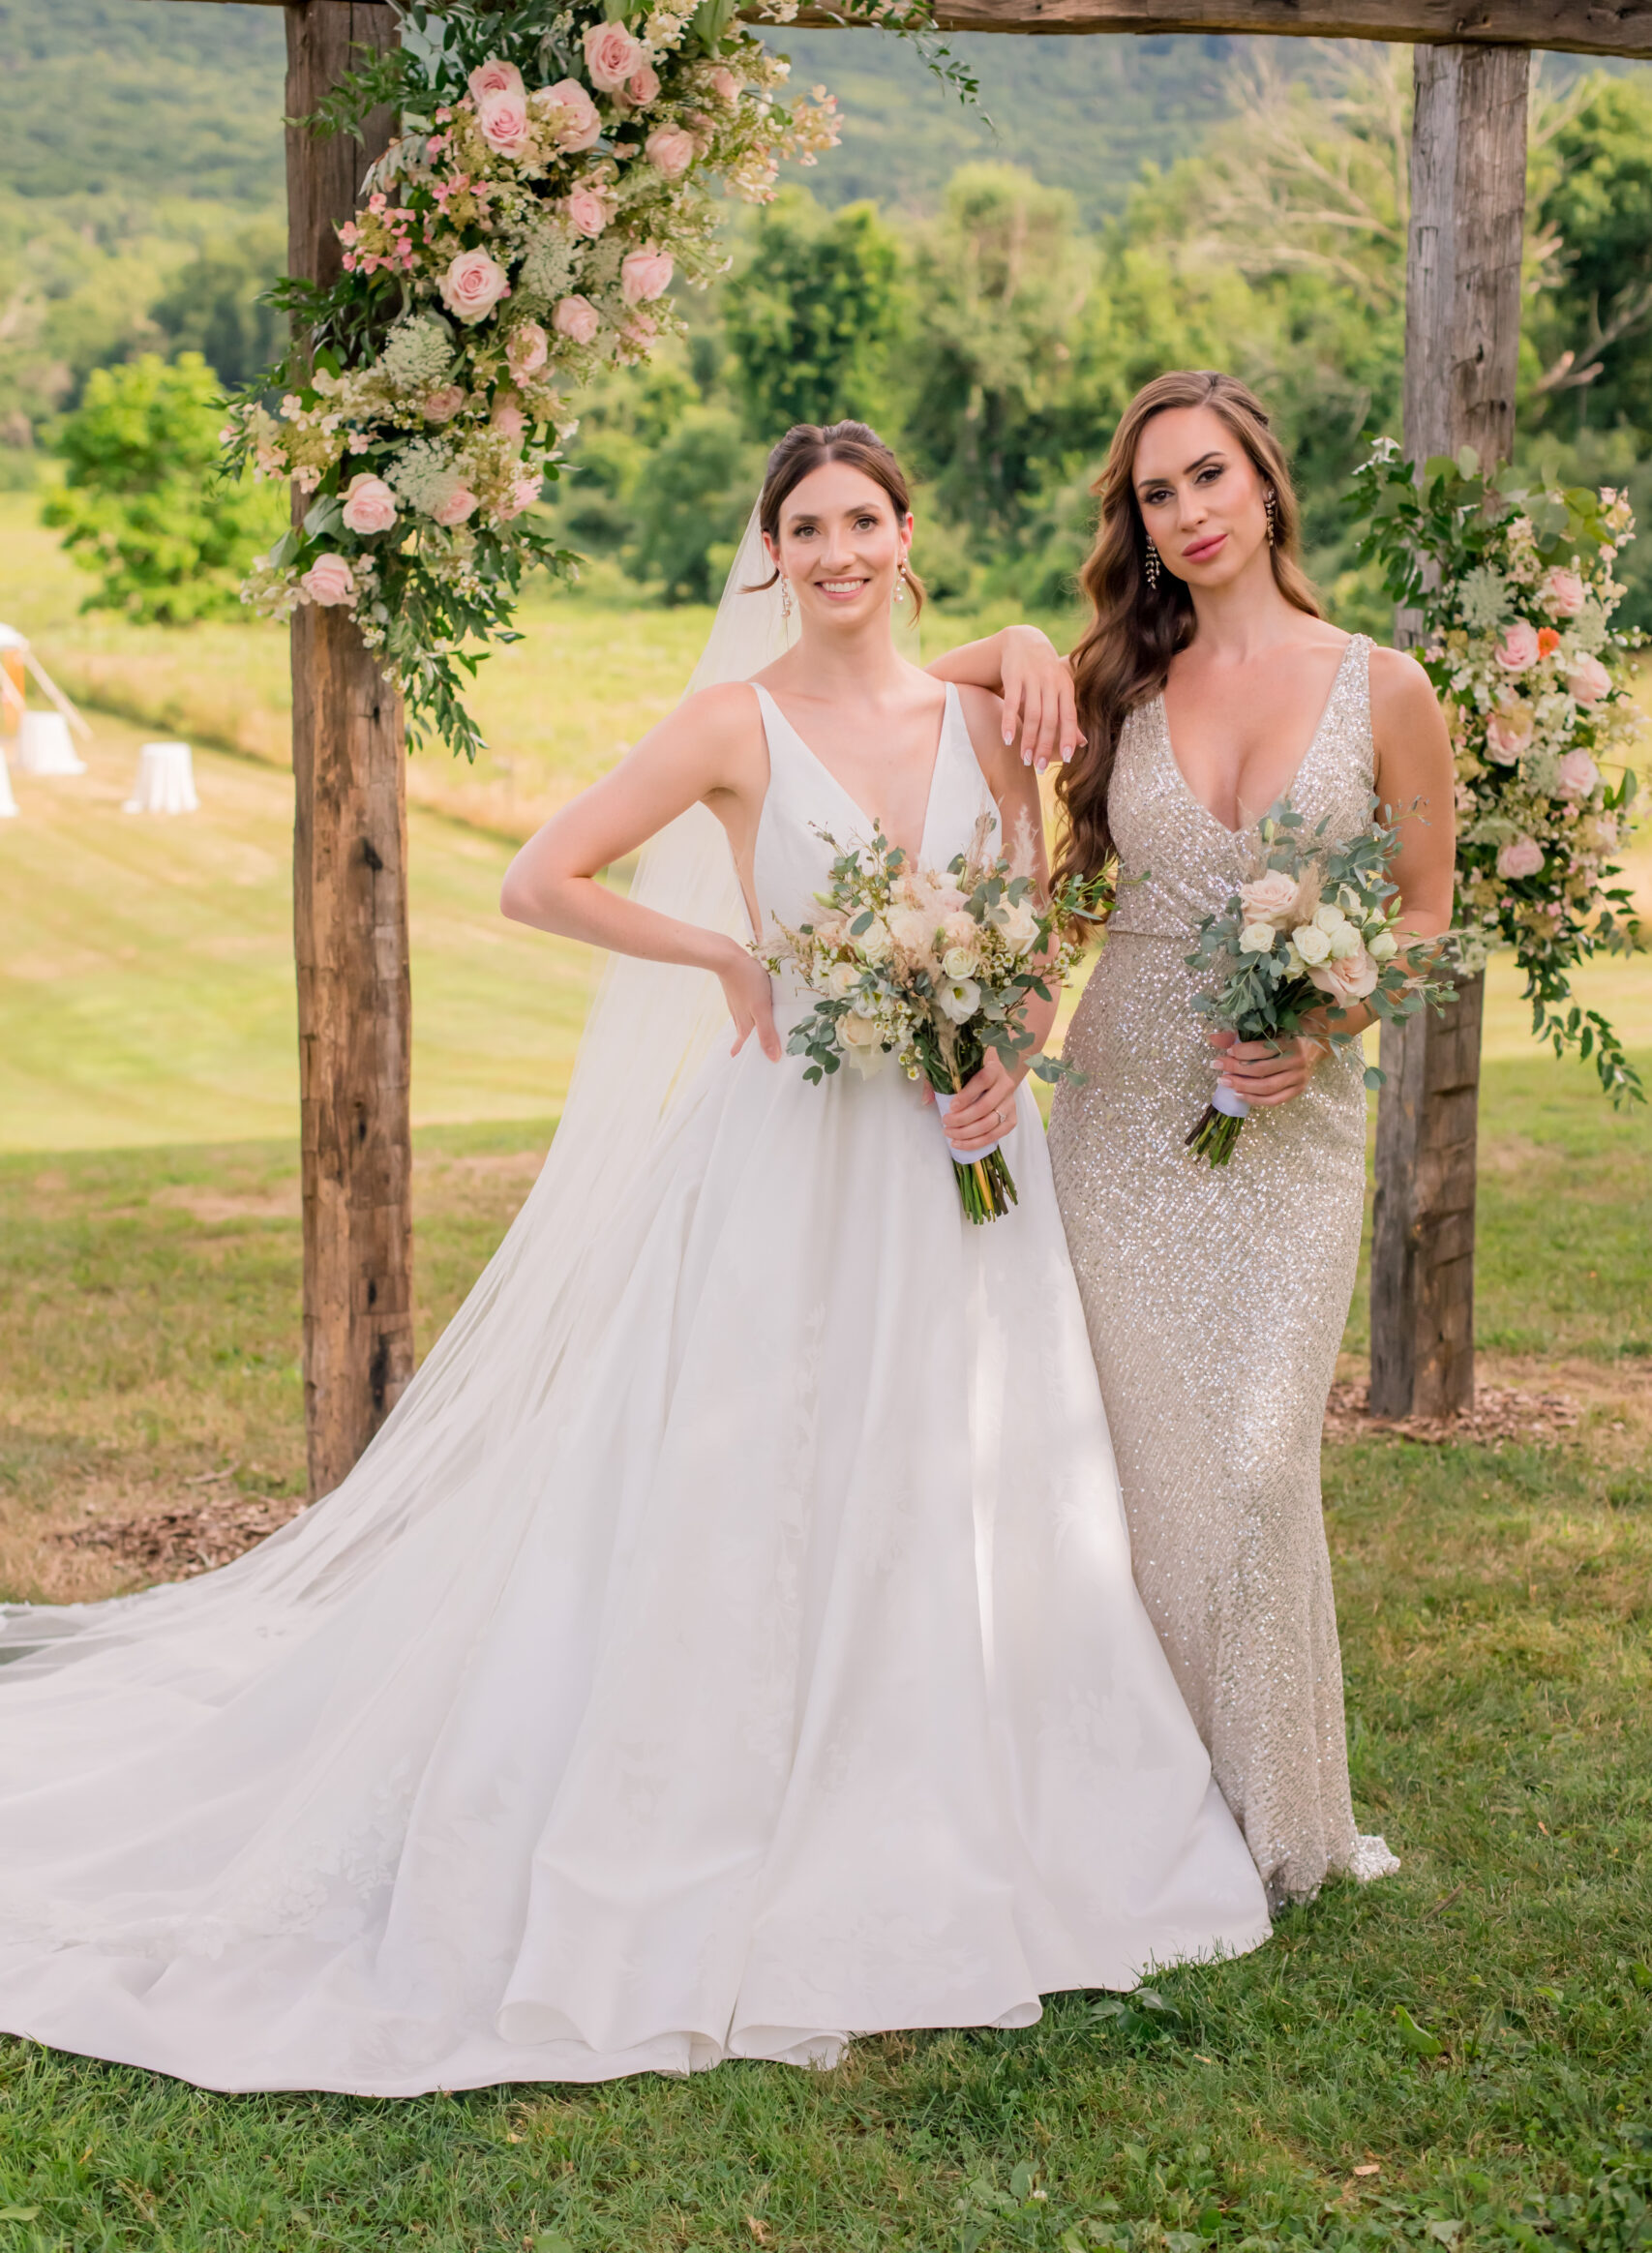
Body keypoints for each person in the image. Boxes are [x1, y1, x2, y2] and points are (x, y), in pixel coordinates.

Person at [0, 420, 1269, 2098]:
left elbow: (1033, 924)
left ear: (907, 534)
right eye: (804, 527)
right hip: (791, 1159)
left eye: (863, 521)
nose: (836, 552)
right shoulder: (731, 727)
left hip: (968, 1165)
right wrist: (728, 959)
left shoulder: (988, 718)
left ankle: (966, 1797)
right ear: (770, 555)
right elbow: (543, 877)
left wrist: (1007, 1052)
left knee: (959, 1479)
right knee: (749, 1480)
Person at [1023, 371, 1455, 1908]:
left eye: (1208, 478)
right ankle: (1139, 1812)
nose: (1188, 514)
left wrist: (1323, 1023)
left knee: (1258, 1461)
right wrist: (1013, 644)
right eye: (1155, 495)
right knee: (1126, 1468)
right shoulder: (1113, 684)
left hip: (1287, 1127)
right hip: (1125, 1097)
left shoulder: (1383, 686)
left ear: (1265, 486)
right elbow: (904, 694)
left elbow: (1421, 921)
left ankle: (1274, 1820)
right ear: (1135, 525)